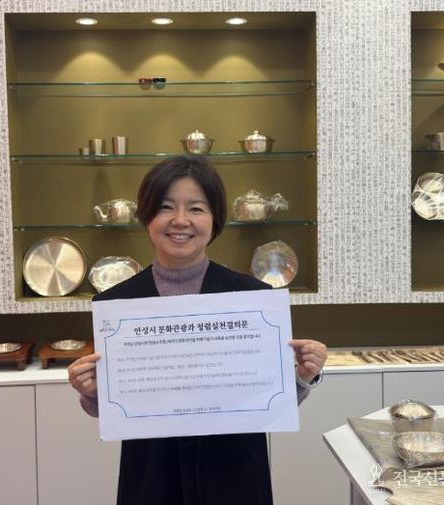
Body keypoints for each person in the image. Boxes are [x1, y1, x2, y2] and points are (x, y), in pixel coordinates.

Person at [69, 155, 327, 505]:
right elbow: (113, 407)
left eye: (196, 208)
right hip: (151, 473)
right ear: (147, 217)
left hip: (234, 475)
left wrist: (302, 377)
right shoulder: (117, 305)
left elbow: (268, 401)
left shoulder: (252, 298)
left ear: (214, 218)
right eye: (165, 207)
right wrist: (91, 391)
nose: (180, 220)